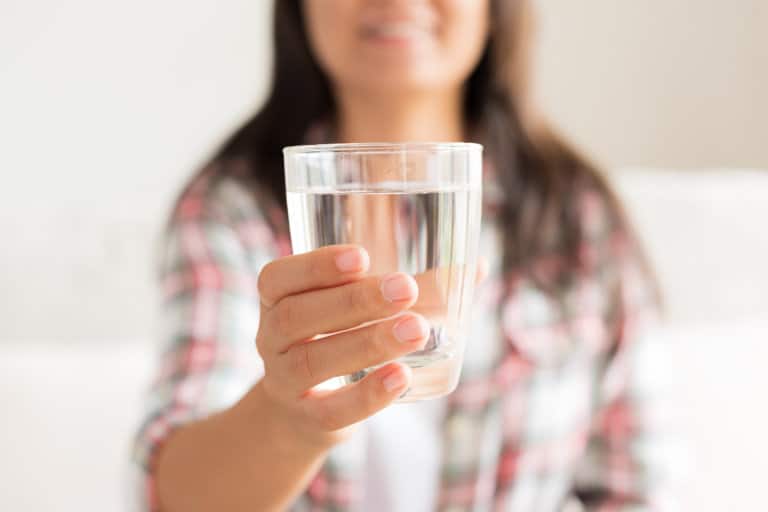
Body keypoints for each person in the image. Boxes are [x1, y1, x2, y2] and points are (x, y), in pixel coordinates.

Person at [133, 1, 670, 510]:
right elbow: (171, 494)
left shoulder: (574, 212)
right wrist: (289, 420)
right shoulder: (231, 210)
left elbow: (638, 483)